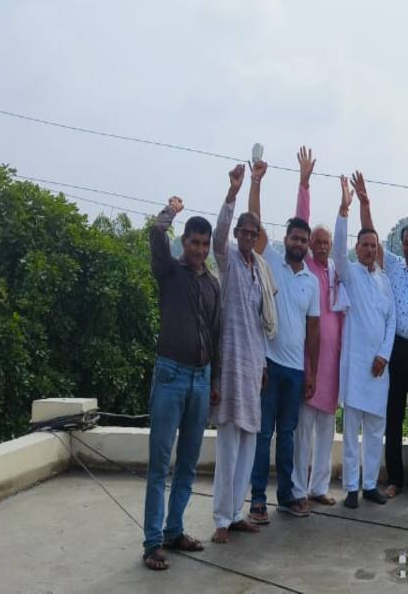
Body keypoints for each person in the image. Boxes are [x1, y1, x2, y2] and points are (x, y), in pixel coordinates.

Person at [352, 172, 408, 500]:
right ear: (401, 245)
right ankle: (394, 479)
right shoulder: (392, 266)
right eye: (406, 243)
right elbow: (371, 239)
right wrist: (364, 202)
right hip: (396, 350)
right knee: (393, 416)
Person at [142, 195, 221, 571]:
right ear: (184, 242)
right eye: (194, 243)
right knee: (160, 464)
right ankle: (152, 542)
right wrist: (171, 211)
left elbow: (216, 335)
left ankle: (174, 530)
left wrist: (215, 379)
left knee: (188, 464)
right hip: (170, 375)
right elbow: (156, 234)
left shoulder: (212, 284)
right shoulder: (169, 272)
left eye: (205, 244)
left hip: (201, 380)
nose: (200, 250)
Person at [247, 159, 321, 524]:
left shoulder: (312, 281)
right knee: (263, 435)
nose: (299, 243)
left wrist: (312, 373)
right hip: (269, 365)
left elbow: (314, 331)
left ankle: (288, 496)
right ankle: (258, 500)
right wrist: (256, 182)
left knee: (287, 436)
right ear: (285, 239)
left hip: (295, 370)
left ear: (307, 246)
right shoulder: (270, 261)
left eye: (303, 240)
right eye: (294, 238)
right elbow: (253, 224)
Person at [211, 164, 272, 545]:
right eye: (244, 232)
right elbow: (217, 236)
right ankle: (221, 517)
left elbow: (261, 322)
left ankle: (237, 512)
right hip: (229, 363)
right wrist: (233, 193)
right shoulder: (229, 260)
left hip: (252, 365)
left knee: (249, 440)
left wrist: (262, 365)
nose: (248, 237)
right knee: (228, 444)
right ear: (237, 234)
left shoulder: (257, 270)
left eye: (254, 233)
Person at [333, 174, 397, 508]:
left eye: (374, 245)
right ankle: (351, 488)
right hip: (356, 367)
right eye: (364, 245)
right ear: (357, 249)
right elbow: (336, 249)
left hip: (379, 369)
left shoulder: (385, 281)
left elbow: (391, 321)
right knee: (352, 431)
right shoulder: (349, 274)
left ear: (377, 249)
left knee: (375, 430)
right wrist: (345, 210)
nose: (370, 250)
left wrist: (384, 355)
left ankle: (370, 484)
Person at [291, 147, 349, 509]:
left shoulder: (337, 272)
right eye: (318, 243)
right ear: (310, 246)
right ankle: (298, 490)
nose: (323, 247)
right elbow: (301, 221)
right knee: (303, 433)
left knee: (327, 431)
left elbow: (343, 244)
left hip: (333, 366)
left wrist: (345, 209)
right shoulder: (307, 269)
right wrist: (304, 184)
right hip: (308, 362)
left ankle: (319, 487)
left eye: (326, 243)